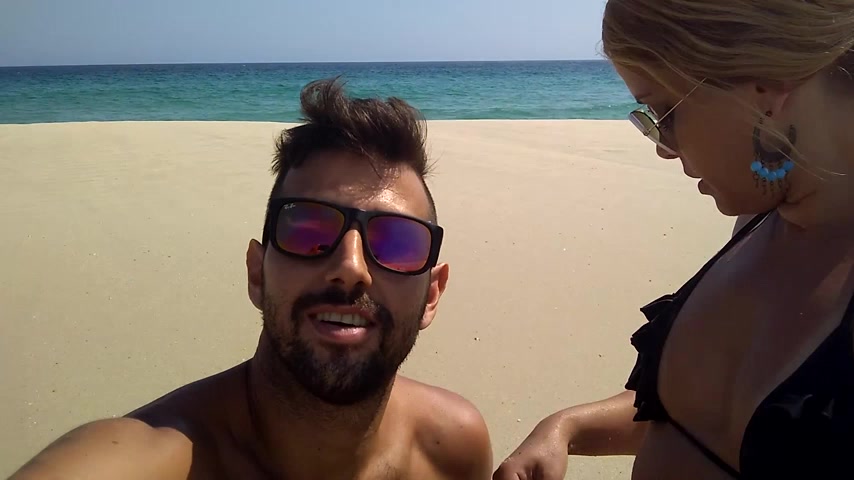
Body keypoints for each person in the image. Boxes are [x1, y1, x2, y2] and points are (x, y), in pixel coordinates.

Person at [11, 78, 493, 480]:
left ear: (432, 294)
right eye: (309, 230)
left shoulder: (453, 451)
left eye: (396, 243)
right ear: (257, 273)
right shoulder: (162, 458)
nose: (350, 266)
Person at [495, 1, 854, 479]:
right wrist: (567, 429)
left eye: (665, 112)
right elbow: (706, 420)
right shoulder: (757, 222)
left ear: (767, 82)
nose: (664, 147)